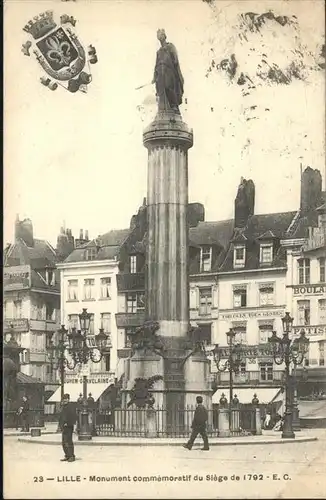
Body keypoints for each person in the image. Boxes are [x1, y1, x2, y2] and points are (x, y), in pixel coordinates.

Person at [152, 29, 184, 113]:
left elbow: (175, 59)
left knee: (169, 87)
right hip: (160, 74)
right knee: (161, 92)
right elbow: (156, 65)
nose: (159, 37)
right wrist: (154, 76)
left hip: (169, 72)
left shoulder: (170, 46)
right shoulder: (158, 52)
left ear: (164, 36)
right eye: (158, 35)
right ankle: (163, 109)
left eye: (161, 35)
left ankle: (174, 106)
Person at [59, 393, 77, 462]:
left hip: (69, 426)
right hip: (64, 426)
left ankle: (72, 456)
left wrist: (69, 423)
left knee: (69, 441)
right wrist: (60, 425)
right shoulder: (63, 407)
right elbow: (61, 417)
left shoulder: (71, 406)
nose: (65, 400)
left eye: (66, 399)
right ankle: (67, 455)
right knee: (64, 442)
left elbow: (73, 416)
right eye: (64, 399)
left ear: (68, 399)